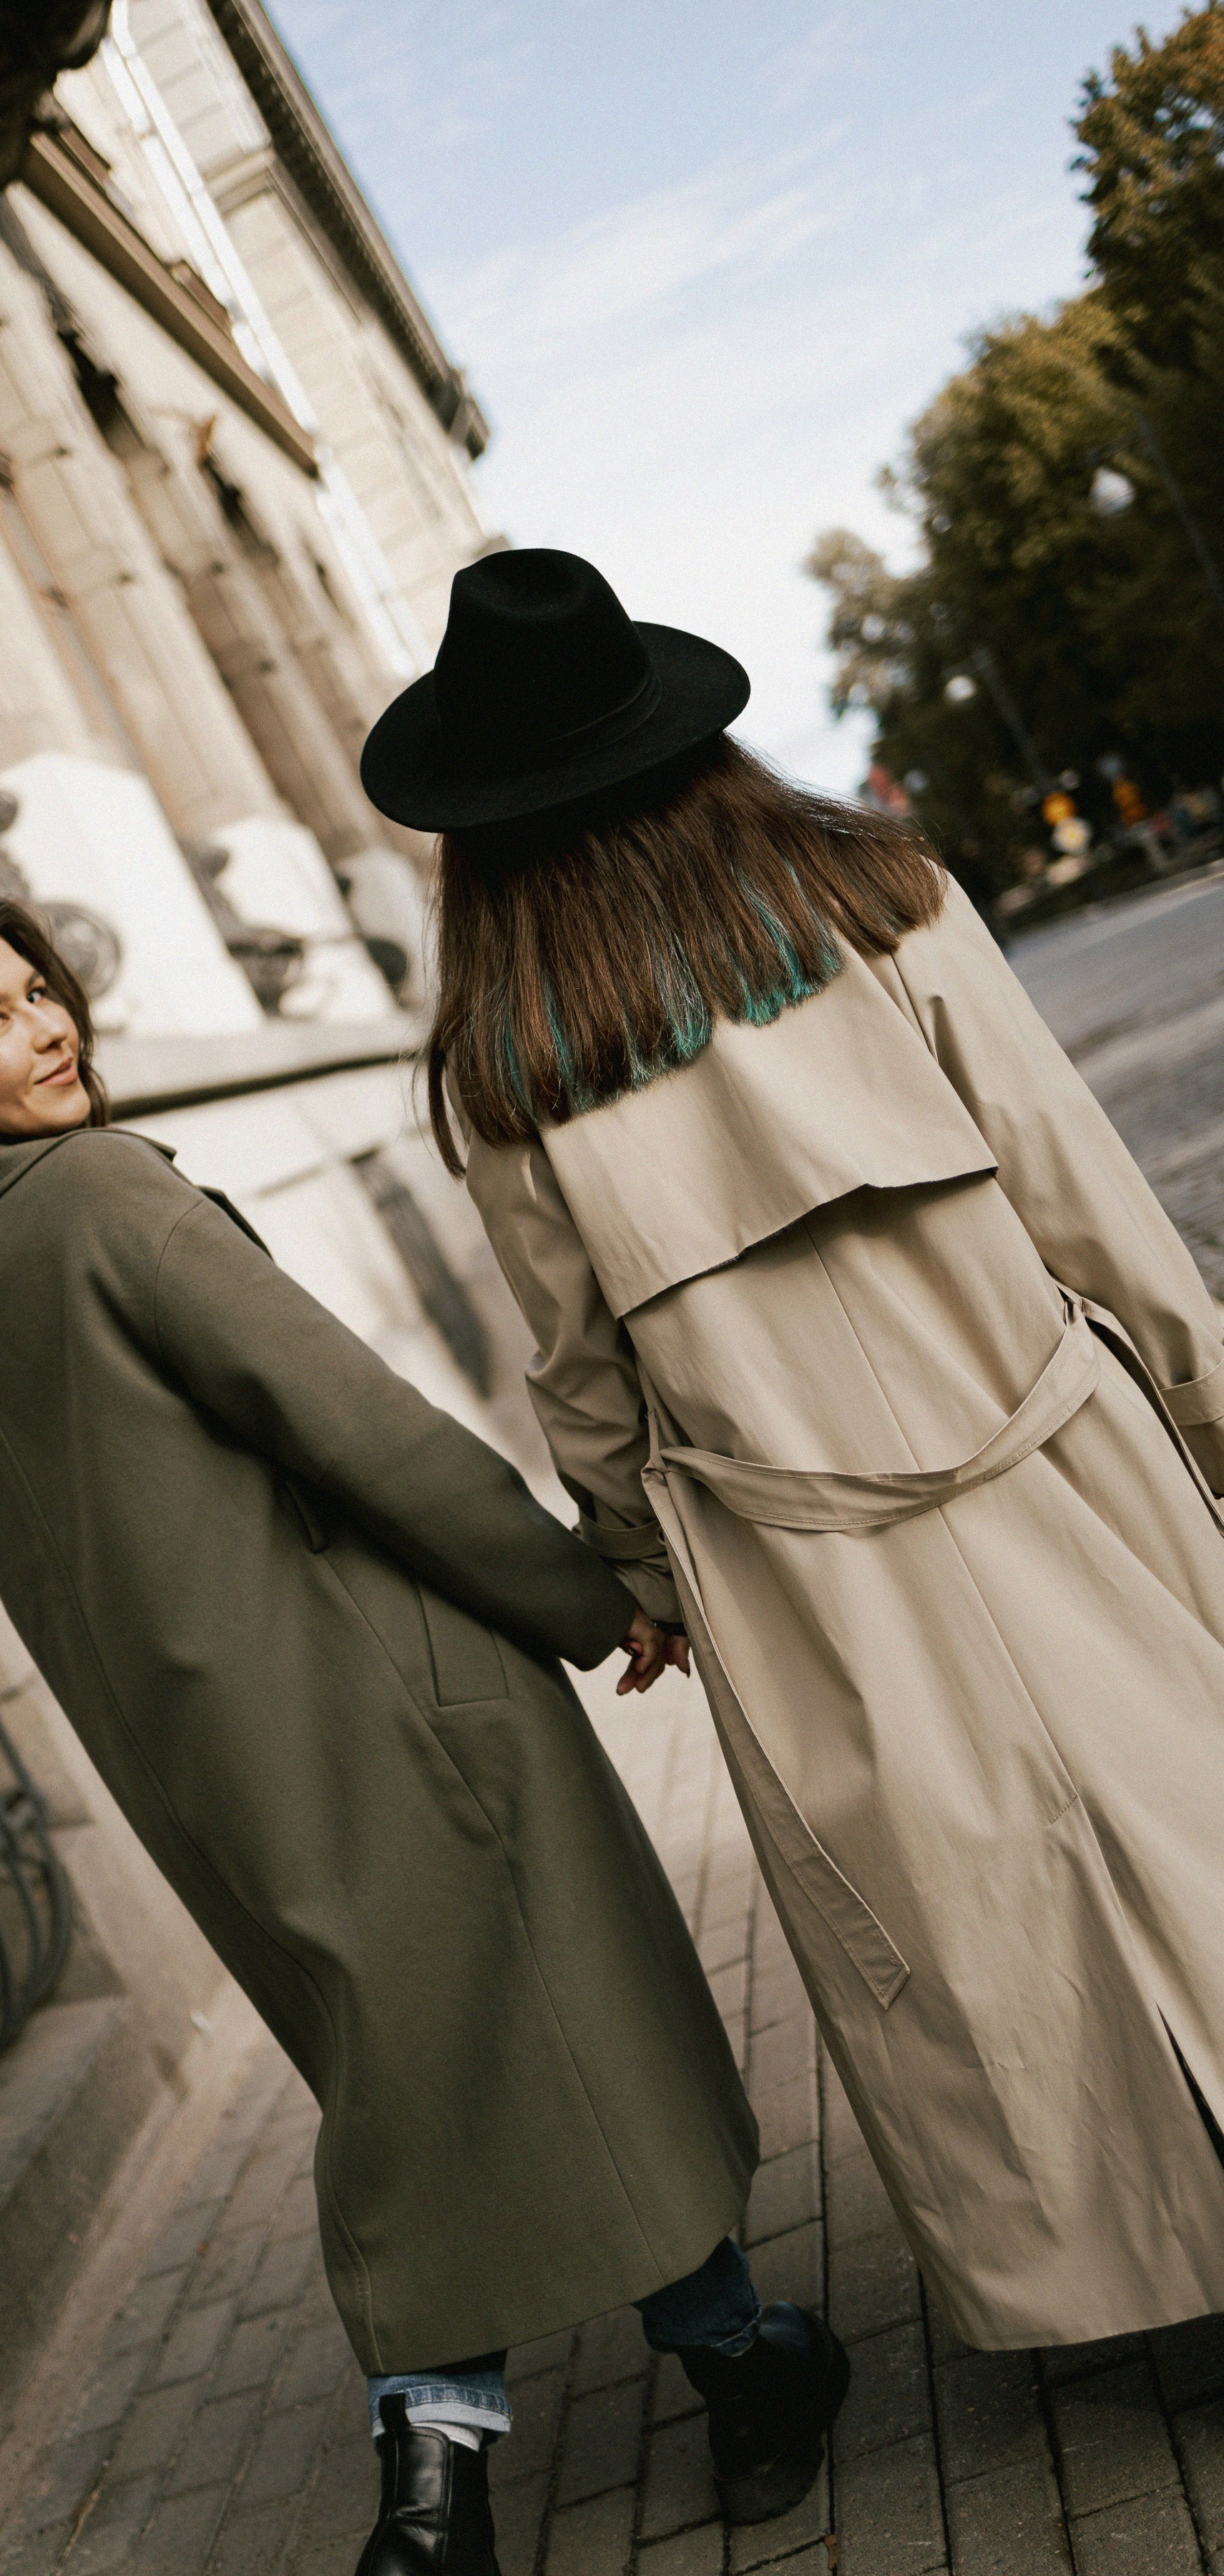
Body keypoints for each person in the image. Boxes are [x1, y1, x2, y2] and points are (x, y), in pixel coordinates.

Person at [0, 891, 852, 2568]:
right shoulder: (102, 1198)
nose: (49, 1027)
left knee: (432, 2076)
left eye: (38, 989)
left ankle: (465, 2482)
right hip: (383, 1704)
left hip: (222, 1777)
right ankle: (721, 2382)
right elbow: (355, 1423)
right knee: (561, 2027)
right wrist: (584, 1596)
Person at [359, 546, 1224, 2360]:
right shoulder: (885, 899)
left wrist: (645, 1571)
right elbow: (1081, 1187)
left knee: (978, 1933)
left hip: (804, 1556)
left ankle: (1141, 2273)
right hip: (1055, 1449)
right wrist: (1205, 1407)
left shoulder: (508, 1065)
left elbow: (581, 1378)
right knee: (1194, 1799)